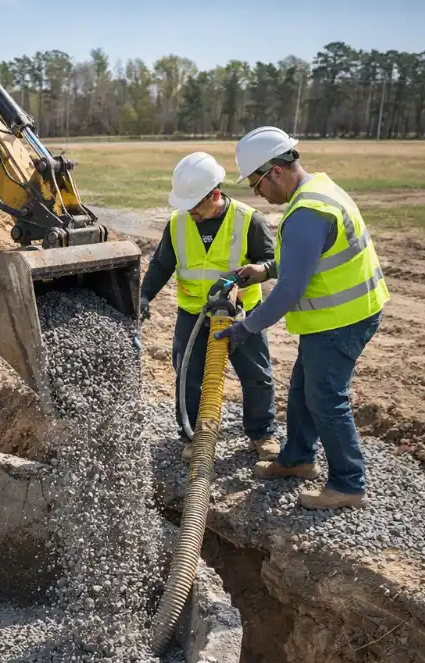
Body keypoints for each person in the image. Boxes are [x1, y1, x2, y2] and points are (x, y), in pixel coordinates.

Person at [214, 126, 389, 510]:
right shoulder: (320, 190)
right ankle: (297, 459)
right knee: (302, 390)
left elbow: (290, 293)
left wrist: (246, 327)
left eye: (257, 184)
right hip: (340, 315)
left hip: (342, 320)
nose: (258, 194)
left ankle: (348, 484)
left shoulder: (307, 212)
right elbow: (311, 259)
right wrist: (266, 269)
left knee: (326, 398)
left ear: (275, 170)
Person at [140, 151, 279, 463]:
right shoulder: (177, 224)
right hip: (193, 314)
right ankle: (192, 435)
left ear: (215, 194)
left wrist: (253, 274)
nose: (191, 213)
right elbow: (162, 265)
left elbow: (273, 262)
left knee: (256, 374)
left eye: (196, 206)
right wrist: (144, 296)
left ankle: (262, 433)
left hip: (243, 315)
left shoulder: (248, 220)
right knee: (188, 375)